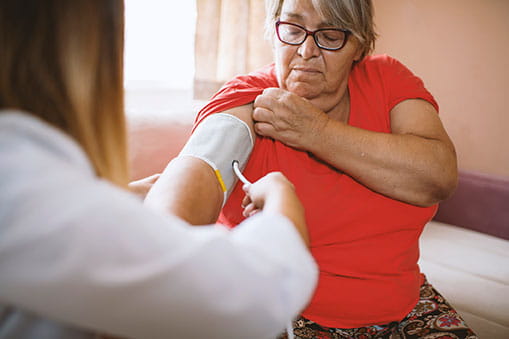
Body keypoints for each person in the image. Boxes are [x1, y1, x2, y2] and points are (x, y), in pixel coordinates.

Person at [146, 0, 479, 338]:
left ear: (359, 45)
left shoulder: (387, 79)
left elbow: (438, 176)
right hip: (285, 313)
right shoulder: (247, 98)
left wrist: (315, 132)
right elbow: (198, 172)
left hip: (404, 309)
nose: (306, 50)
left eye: (330, 35)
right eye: (292, 30)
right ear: (273, 31)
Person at [0, 1, 319, 338]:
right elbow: (261, 290)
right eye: (293, 31)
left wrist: (117, 196)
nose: (307, 51)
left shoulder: (29, 186)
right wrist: (281, 196)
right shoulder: (22, 191)